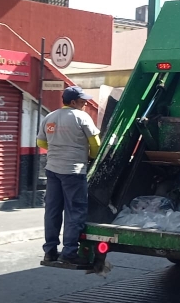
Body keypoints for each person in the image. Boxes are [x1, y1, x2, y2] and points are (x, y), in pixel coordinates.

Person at [38, 86, 101, 265]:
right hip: (73, 171)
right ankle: (69, 252)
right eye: (82, 101)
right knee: (75, 211)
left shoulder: (50, 117)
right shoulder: (81, 117)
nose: (85, 103)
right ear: (73, 102)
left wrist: (58, 150)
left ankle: (50, 251)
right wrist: (92, 157)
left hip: (52, 170)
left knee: (52, 211)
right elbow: (95, 142)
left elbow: (41, 141)